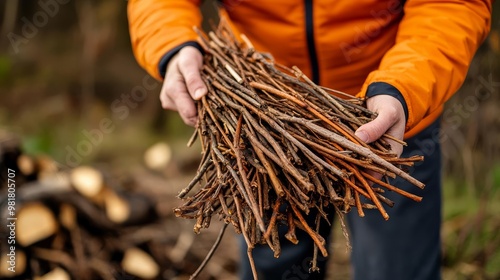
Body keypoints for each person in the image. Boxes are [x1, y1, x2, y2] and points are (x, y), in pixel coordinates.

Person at [127, 1, 492, 279]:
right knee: (275, 267)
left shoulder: (395, 106)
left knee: (397, 269)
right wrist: (174, 45)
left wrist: (402, 87)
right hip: (256, 129)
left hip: (389, 122)